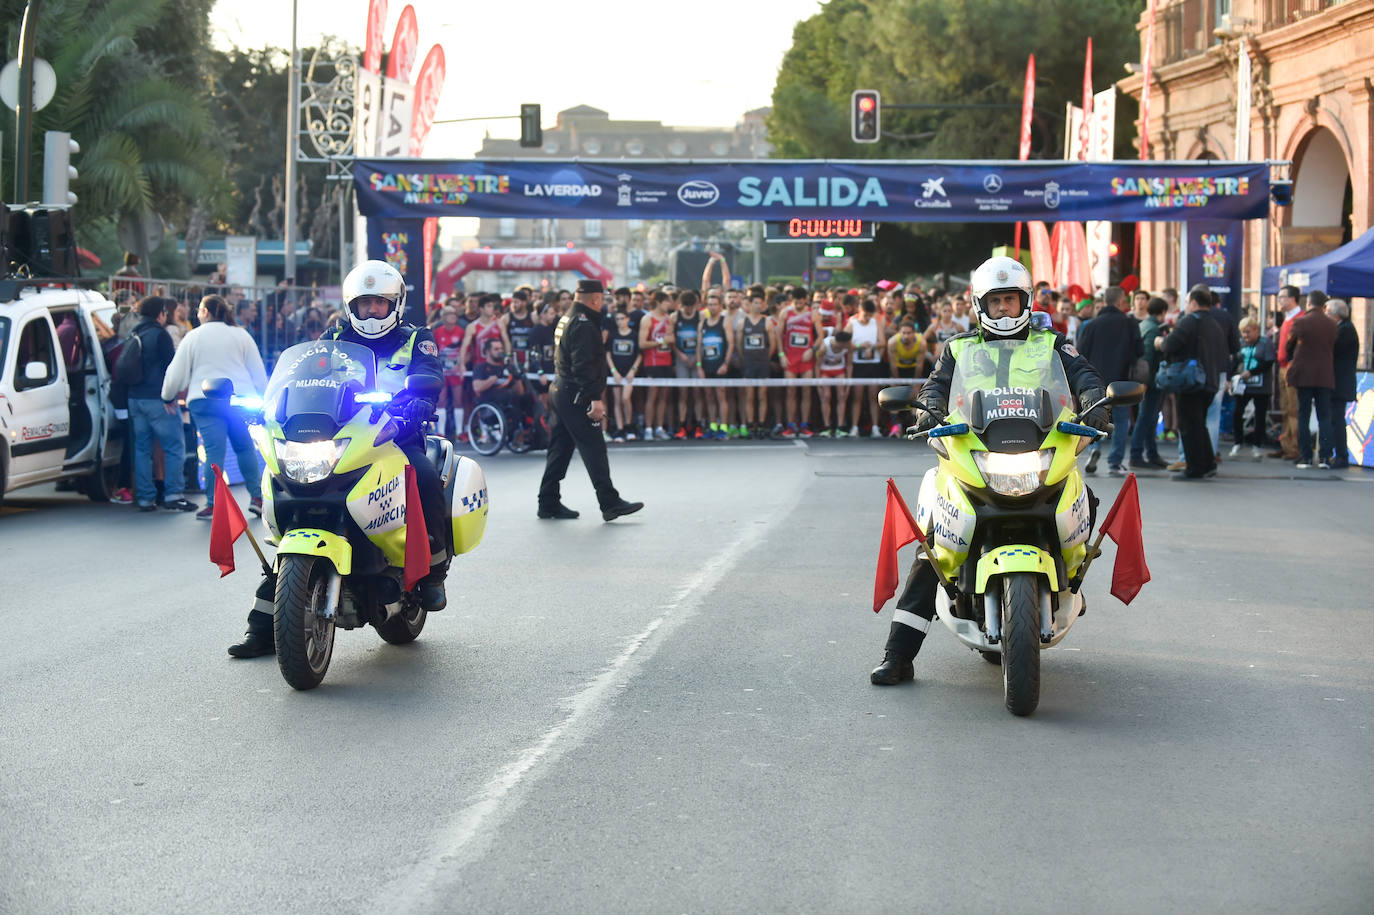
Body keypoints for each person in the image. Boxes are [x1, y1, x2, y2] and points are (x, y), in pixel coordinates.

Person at [870, 256, 1108, 685]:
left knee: (1083, 497)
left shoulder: (1051, 343)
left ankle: (1070, 577)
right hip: (973, 451)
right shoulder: (958, 347)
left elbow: (1084, 375)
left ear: (1026, 303)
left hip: (1039, 446)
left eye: (1011, 301)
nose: (1004, 310)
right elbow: (937, 386)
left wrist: (1096, 402)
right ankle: (897, 656)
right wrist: (928, 410)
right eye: (995, 301)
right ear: (981, 304)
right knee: (935, 546)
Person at [227, 261, 450, 659]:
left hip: (396, 434)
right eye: (362, 305)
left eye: (378, 305)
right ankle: (264, 627)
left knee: (426, 475)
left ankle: (433, 569)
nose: (370, 313)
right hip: (339, 433)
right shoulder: (334, 335)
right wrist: (272, 404)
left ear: (395, 304)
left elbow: (430, 374)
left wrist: (421, 400)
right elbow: (304, 373)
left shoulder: (417, 338)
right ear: (351, 305)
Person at [537, 280, 643, 522]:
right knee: (594, 447)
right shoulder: (584, 324)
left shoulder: (568, 317)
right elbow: (583, 363)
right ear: (594, 298)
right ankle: (609, 502)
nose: (604, 302)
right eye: (602, 298)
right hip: (577, 394)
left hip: (561, 390)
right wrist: (595, 398)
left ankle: (548, 501)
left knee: (560, 449)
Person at [160, 294, 268, 521]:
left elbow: (176, 372)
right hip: (239, 399)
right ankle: (257, 498)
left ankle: (213, 503)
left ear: (206, 312)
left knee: (213, 451)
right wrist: (265, 397)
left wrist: (167, 396)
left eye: (199, 310)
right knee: (245, 447)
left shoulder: (194, 336)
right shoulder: (241, 335)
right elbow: (257, 372)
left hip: (204, 400)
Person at [126, 296, 197, 513]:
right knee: (174, 446)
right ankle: (173, 494)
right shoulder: (161, 335)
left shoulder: (134, 333)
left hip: (135, 399)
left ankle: (146, 498)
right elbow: (171, 369)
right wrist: (170, 396)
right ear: (160, 314)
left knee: (142, 448)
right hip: (158, 399)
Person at [1157, 286, 1227, 480]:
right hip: (1210, 380)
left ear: (1194, 303)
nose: (1185, 306)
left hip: (1191, 381)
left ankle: (1194, 468)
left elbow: (1171, 344)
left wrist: (1159, 342)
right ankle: (1207, 464)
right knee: (1199, 424)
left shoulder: (1189, 321)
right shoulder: (1215, 323)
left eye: (1187, 302)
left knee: (1188, 425)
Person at [1076, 285, 1143, 475]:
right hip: (1121, 382)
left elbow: (1080, 353)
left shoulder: (1091, 325)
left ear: (1105, 301)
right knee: (1121, 422)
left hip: (1094, 381)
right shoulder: (1129, 323)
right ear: (1122, 302)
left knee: (1094, 418)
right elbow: (1140, 351)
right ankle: (1115, 462)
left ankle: (1093, 449)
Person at [1284, 288, 1338, 468]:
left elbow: (1288, 347)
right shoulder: (1332, 324)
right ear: (1324, 306)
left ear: (1308, 303)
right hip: (1325, 375)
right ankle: (1325, 457)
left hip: (1304, 375)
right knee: (1325, 416)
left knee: (1303, 415)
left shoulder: (1300, 322)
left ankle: (1306, 456)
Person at [1129, 297, 1171, 469]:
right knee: (1146, 417)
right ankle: (1137, 454)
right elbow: (1147, 356)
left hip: (1146, 379)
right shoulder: (1153, 329)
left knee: (1149, 417)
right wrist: (1145, 381)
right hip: (1151, 380)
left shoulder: (1144, 324)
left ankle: (1151, 453)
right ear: (1162, 312)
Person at [1228, 316, 1275, 461]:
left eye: (1248, 332)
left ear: (1256, 330)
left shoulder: (1265, 343)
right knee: (1237, 413)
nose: (1245, 336)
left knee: (1260, 415)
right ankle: (1237, 442)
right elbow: (1234, 361)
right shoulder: (1241, 344)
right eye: (1243, 332)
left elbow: (1269, 361)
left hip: (1261, 385)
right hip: (1243, 385)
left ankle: (1257, 445)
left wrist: (1252, 372)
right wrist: (1231, 379)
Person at [1269, 286, 1304, 461]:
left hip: (1292, 368)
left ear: (1292, 299)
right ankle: (1285, 444)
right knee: (1284, 408)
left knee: (1293, 409)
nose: (1279, 300)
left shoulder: (1300, 319)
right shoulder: (1287, 319)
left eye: (1282, 297)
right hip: (1282, 367)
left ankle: (1294, 447)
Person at [1327, 299, 1359, 468]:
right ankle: (1337, 453)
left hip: (1340, 382)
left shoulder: (1345, 330)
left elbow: (1334, 350)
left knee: (1337, 419)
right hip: (1338, 381)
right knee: (1334, 418)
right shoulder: (1343, 328)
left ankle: (1341, 455)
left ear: (1335, 314)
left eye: (1328, 313)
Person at [606, 308, 642, 443]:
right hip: (616, 373)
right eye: (618, 319)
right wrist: (613, 371)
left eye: (622, 318)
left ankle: (629, 426)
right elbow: (608, 354)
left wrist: (633, 370)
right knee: (617, 401)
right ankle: (620, 428)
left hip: (629, 373)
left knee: (625, 398)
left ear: (628, 319)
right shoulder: (613, 335)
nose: (620, 321)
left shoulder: (634, 335)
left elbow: (639, 355)